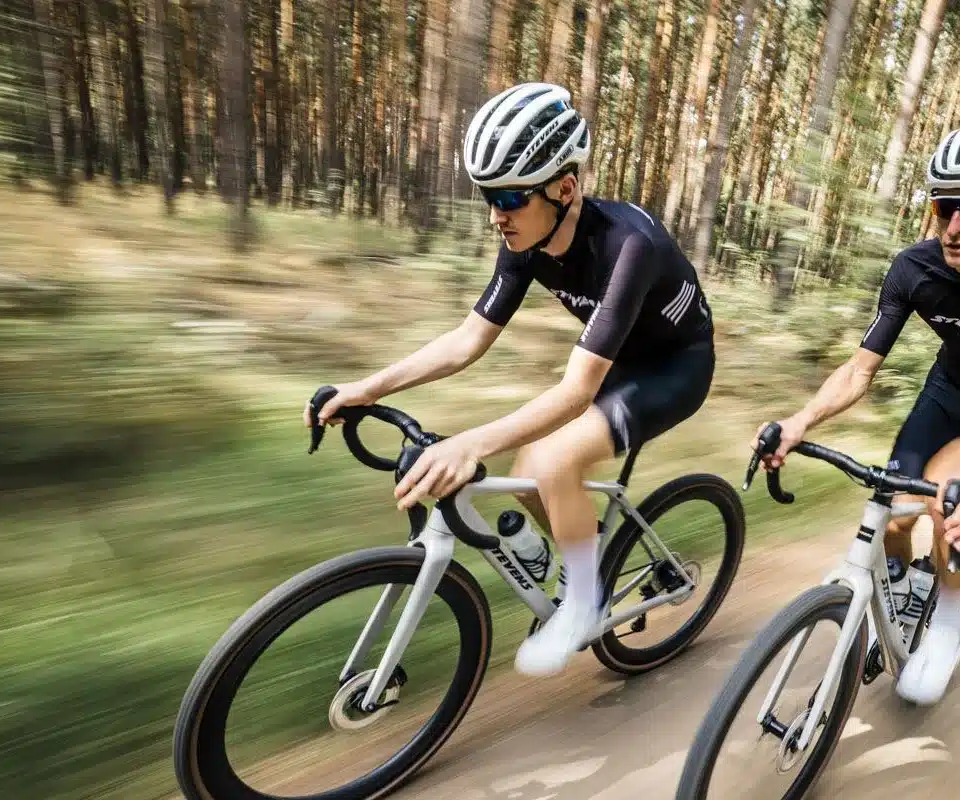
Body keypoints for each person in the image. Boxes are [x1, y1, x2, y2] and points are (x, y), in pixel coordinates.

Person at [305, 82, 716, 677]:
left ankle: (583, 603)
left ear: (564, 188)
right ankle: (590, 559)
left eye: (510, 197)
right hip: (623, 361)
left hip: (677, 366)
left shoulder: (629, 246)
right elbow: (467, 341)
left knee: (551, 462)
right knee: (528, 478)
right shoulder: (527, 237)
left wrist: (469, 443)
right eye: (487, 197)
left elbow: (576, 390)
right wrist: (367, 389)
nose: (497, 215)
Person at [757, 115, 960, 706]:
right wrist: (800, 420)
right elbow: (859, 370)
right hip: (948, 388)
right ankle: (901, 595)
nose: (955, 227)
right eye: (943, 208)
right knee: (893, 512)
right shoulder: (915, 268)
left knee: (950, 503)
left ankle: (950, 616)